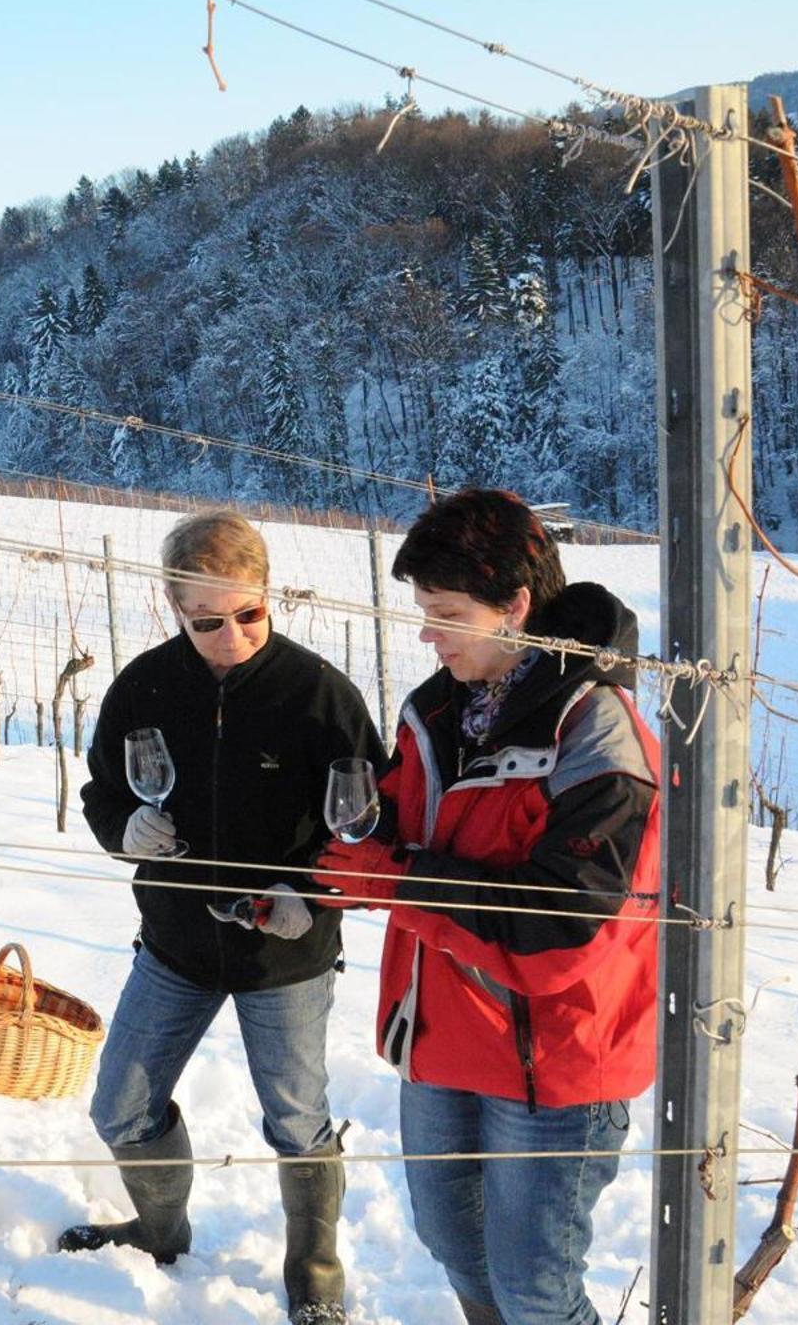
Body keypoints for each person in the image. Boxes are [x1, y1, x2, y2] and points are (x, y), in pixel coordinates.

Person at [311, 488, 661, 1325]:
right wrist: (311, 879)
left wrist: (395, 881)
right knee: (450, 1240)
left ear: (516, 609)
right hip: (441, 1032)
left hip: (555, 1057)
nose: (427, 632)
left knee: (537, 1288)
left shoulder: (596, 734)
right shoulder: (436, 712)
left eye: (446, 612)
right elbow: (397, 823)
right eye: (423, 609)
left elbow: (561, 931)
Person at [68, 510, 383, 1325]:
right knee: (119, 1107)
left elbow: (371, 826)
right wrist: (124, 830)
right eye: (208, 621)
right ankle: (160, 1231)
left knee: (296, 1120)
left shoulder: (321, 696)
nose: (233, 636)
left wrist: (310, 895)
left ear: (270, 596)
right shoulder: (143, 686)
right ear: (174, 608)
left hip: (286, 956)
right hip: (174, 942)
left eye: (250, 614)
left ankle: (315, 1274)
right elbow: (104, 793)